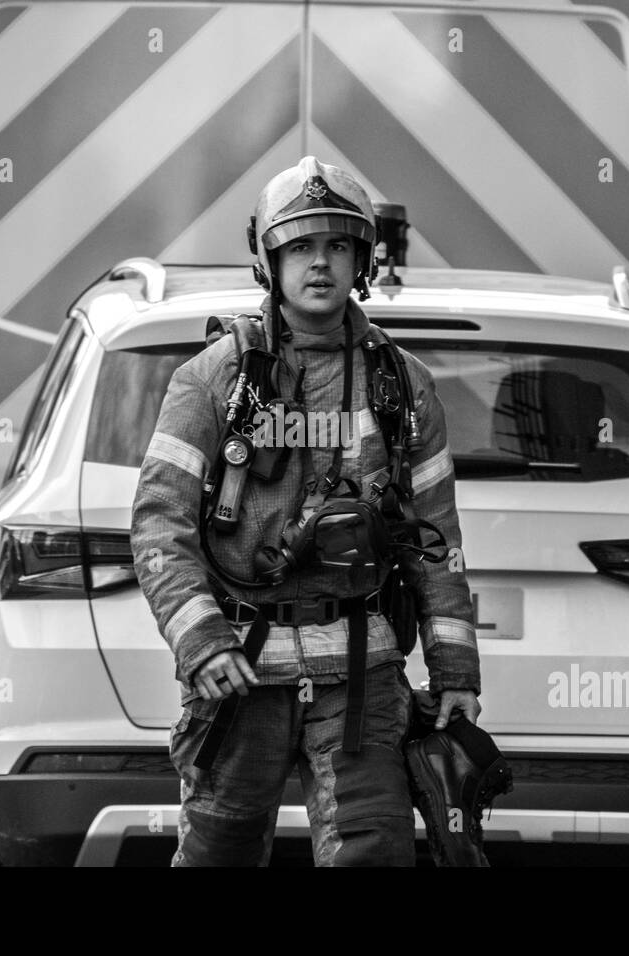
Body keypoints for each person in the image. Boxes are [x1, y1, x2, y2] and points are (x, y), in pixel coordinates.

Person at [131, 156, 481, 867]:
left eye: (337, 245)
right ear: (268, 258)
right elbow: (159, 528)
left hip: (362, 683)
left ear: (362, 258)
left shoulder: (402, 386)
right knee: (217, 857)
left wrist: (455, 673)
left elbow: (435, 542)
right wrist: (202, 643)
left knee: (373, 857)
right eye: (300, 246)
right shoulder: (212, 379)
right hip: (239, 676)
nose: (320, 263)